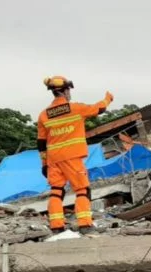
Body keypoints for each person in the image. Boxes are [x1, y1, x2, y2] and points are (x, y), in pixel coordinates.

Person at [37, 76, 113, 233]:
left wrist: (44, 163)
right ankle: (85, 224)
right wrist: (108, 99)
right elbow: (99, 109)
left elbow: (41, 143)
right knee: (82, 189)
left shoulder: (43, 115)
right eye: (69, 90)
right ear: (64, 91)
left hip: (53, 159)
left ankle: (56, 226)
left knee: (56, 191)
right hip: (72, 157)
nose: (70, 93)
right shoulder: (75, 109)